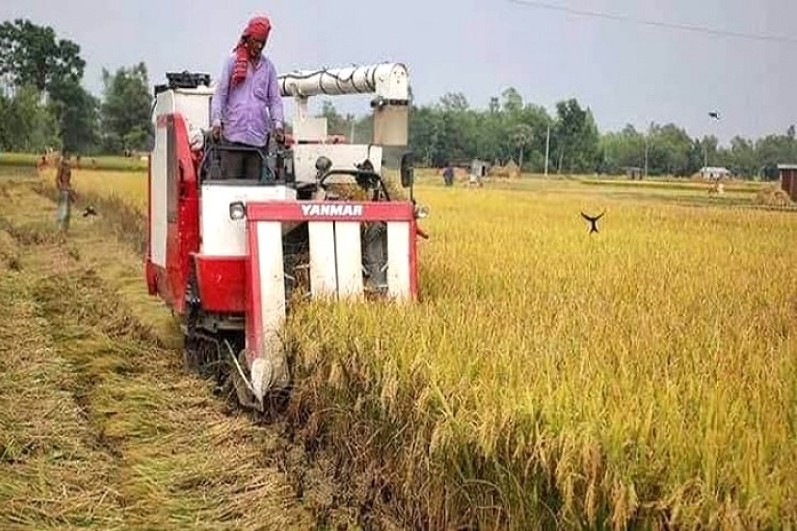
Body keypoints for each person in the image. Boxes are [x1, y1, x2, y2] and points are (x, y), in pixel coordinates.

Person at [210, 15, 285, 180]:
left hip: (257, 142)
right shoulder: (232, 62)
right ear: (248, 38)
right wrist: (216, 122)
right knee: (230, 191)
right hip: (232, 139)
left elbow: (274, 100)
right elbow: (220, 95)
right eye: (256, 41)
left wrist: (278, 125)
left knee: (254, 193)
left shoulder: (268, 68)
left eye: (262, 43)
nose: (258, 46)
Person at [55, 151, 74, 232]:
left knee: (67, 213)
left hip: (67, 190)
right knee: (63, 212)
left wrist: (71, 190)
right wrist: (62, 188)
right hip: (63, 191)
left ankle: (65, 231)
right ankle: (60, 230)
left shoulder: (67, 166)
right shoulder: (61, 166)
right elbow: (57, 179)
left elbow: (67, 181)